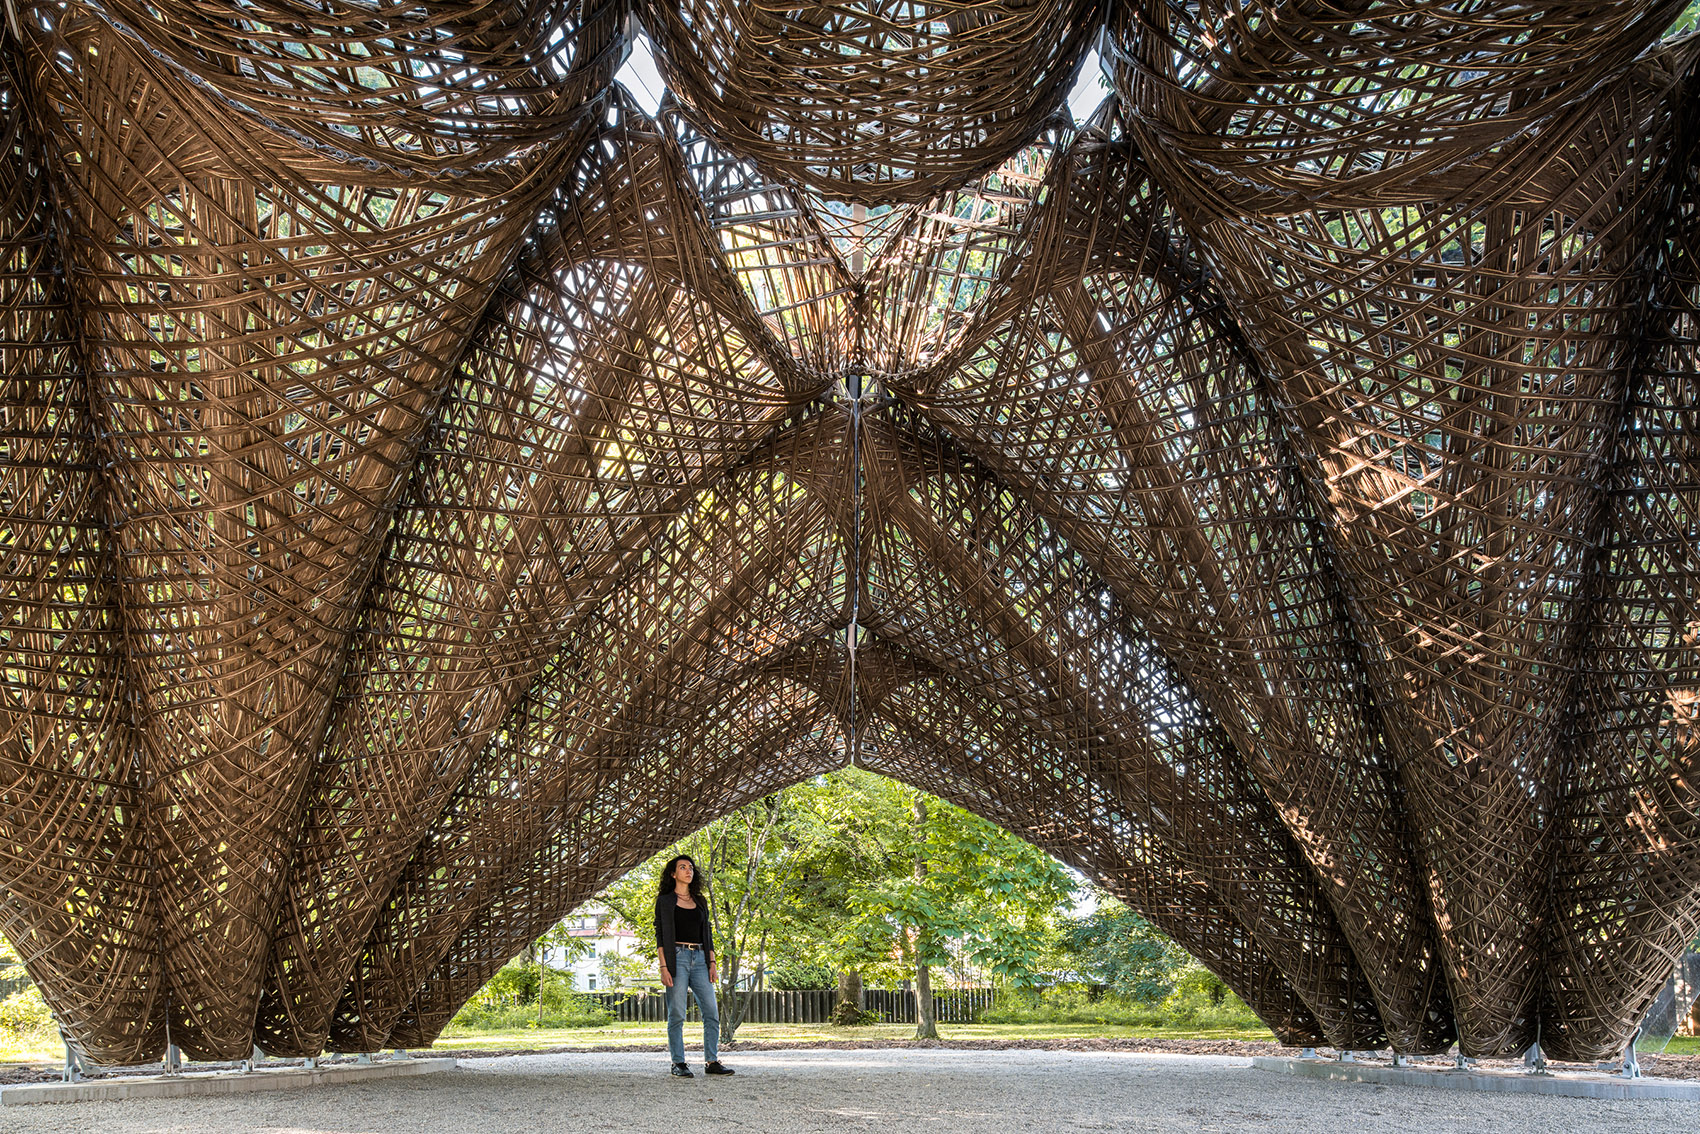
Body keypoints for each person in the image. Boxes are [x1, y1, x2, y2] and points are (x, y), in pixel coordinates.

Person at [654, 855, 734, 1078]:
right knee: (677, 1013)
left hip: (700, 958)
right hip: (676, 958)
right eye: (682, 867)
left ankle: (711, 1062)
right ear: (673, 874)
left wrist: (712, 962)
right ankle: (678, 1062)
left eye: (690, 868)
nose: (688, 871)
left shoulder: (700, 901)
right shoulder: (665, 901)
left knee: (711, 1011)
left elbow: (706, 933)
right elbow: (660, 935)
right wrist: (663, 967)